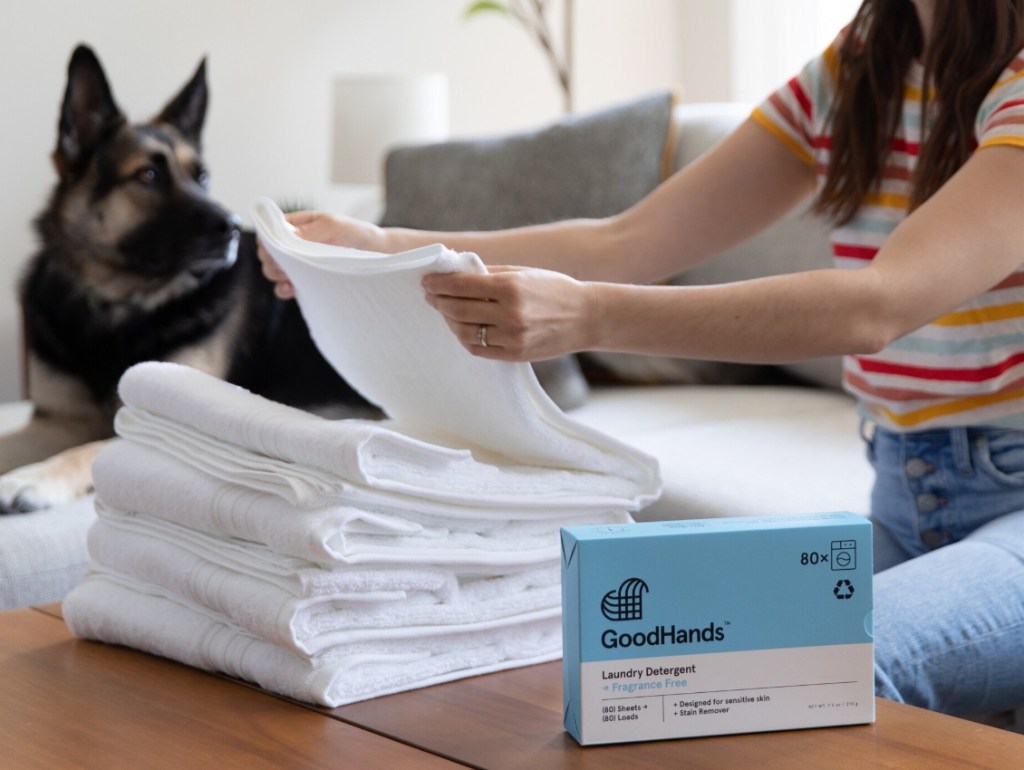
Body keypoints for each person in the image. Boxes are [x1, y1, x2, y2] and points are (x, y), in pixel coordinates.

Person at [260, 0, 1024, 721]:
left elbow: (876, 306)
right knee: (643, 667)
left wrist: (590, 315)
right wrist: (388, 246)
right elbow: (626, 243)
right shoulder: (863, 65)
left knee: (826, 664)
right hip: (903, 488)